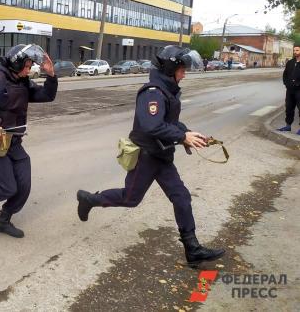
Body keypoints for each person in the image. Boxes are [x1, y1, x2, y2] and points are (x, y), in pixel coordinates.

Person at [76, 45, 225, 267]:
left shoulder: (168, 90)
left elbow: (170, 123)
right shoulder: (152, 92)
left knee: (181, 197)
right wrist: (182, 136)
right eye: (182, 69)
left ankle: (192, 249)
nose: (184, 74)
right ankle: (90, 199)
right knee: (130, 199)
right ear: (169, 68)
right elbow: (151, 126)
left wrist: (189, 134)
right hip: (146, 156)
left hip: (163, 156)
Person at [0, 44, 57, 238]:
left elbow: (46, 95)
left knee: (23, 186)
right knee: (7, 187)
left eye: (31, 65)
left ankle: (3, 220)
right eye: (27, 65)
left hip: (15, 142)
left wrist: (51, 75)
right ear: (17, 64)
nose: (29, 69)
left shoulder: (22, 81)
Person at [277, 45, 300, 133]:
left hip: (299, 90)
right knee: (289, 108)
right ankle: (288, 126)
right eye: (294, 50)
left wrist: (298, 84)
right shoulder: (290, 62)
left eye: (297, 50)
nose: (295, 52)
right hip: (290, 90)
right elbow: (285, 74)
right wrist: (286, 84)